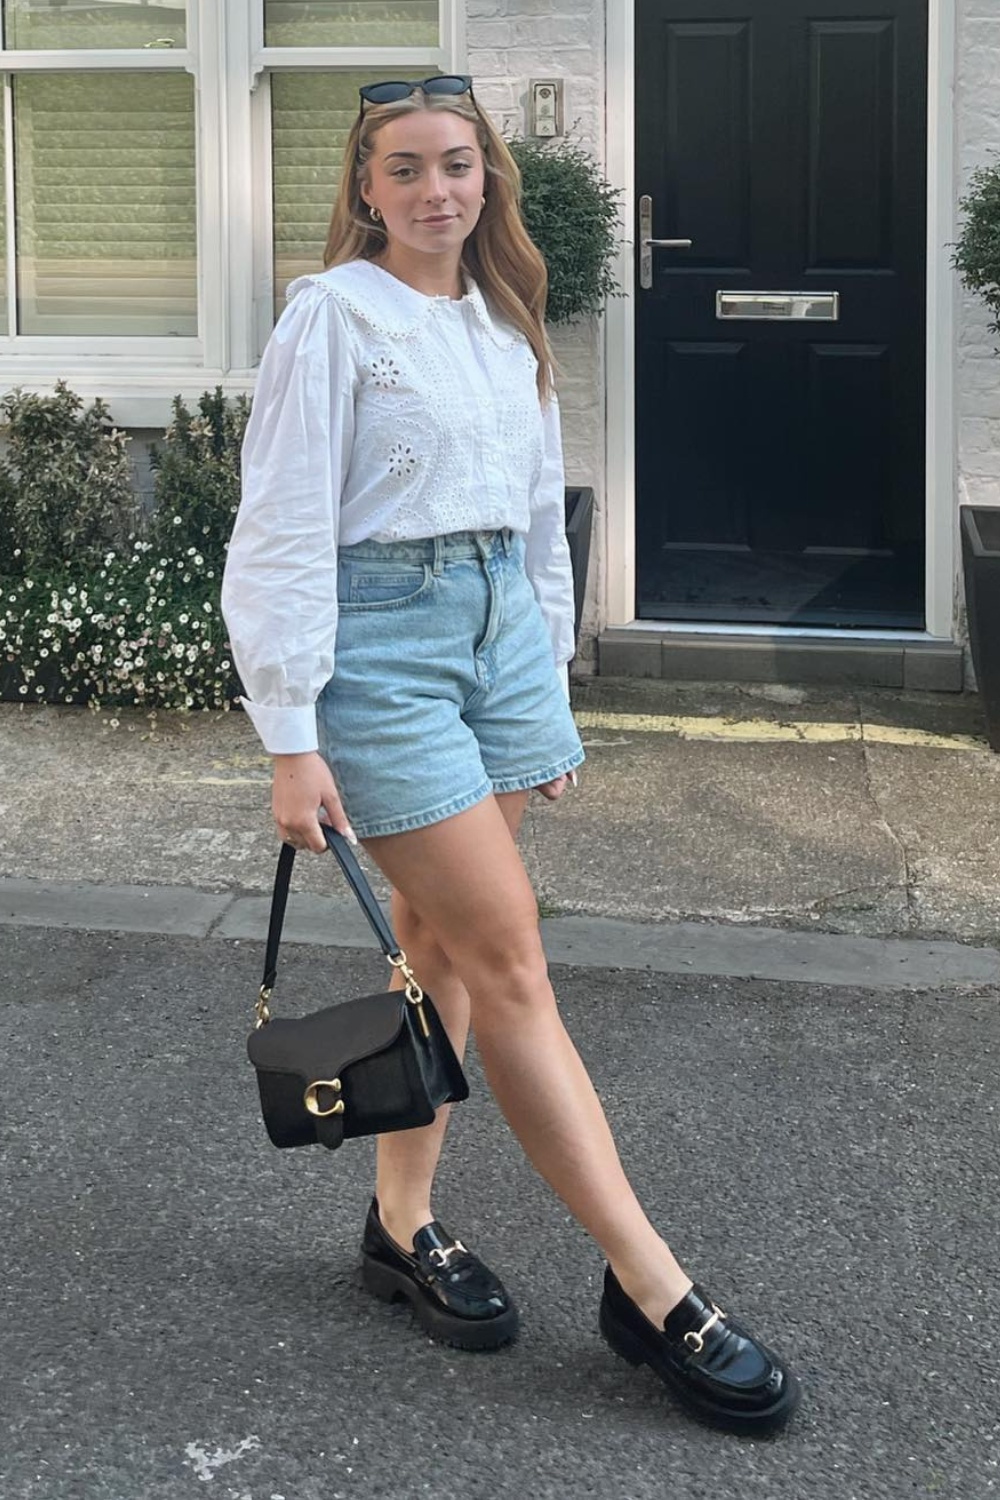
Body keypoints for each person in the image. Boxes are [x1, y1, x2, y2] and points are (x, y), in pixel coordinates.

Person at [221, 75, 800, 1434]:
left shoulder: (500, 319)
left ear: (490, 180)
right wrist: (291, 735)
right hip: (382, 650)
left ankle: (401, 1222)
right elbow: (283, 531)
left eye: (460, 165)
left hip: (493, 652)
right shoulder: (332, 319)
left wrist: (543, 680)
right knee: (512, 959)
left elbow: (537, 521)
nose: (438, 191)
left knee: (442, 943)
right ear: (365, 186)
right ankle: (653, 1291)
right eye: (407, 168)